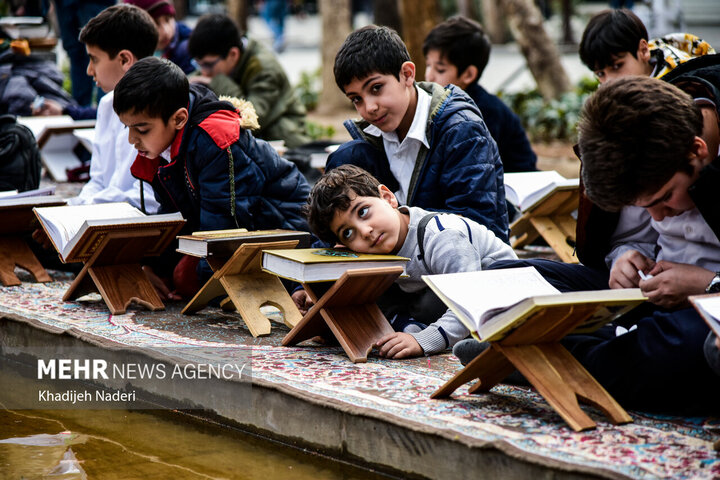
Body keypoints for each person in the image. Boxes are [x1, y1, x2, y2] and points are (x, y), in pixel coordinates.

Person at [566, 76, 720, 413]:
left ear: (698, 150)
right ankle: (600, 351)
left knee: (682, 346)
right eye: (645, 207)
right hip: (652, 298)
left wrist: (708, 284)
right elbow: (633, 235)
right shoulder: (649, 159)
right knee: (515, 279)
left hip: (706, 315)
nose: (659, 218)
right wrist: (626, 258)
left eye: (666, 199)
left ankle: (540, 360)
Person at [112, 57, 311, 294]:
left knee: (186, 278)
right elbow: (174, 220)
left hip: (282, 226)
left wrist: (195, 278)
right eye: (128, 128)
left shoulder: (217, 142)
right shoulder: (159, 146)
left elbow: (226, 228)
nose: (132, 140)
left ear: (179, 118)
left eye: (142, 129)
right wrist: (154, 265)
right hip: (223, 226)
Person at [301, 164, 516, 358]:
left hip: (504, 300)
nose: (365, 231)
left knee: (453, 306)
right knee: (362, 286)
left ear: (387, 197)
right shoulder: (374, 246)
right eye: (348, 233)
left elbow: (470, 300)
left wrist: (423, 340)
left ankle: (499, 350)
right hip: (434, 300)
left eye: (363, 212)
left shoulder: (442, 236)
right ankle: (409, 325)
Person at [329, 25, 509, 243]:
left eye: (376, 88)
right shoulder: (365, 145)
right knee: (346, 157)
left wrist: (398, 222)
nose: (369, 107)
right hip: (394, 265)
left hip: (466, 264)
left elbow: (476, 224)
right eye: (356, 99)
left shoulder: (462, 130)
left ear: (407, 74)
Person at [67, 4, 160, 213]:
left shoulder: (160, 107)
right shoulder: (107, 104)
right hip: (103, 215)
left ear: (125, 60)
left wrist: (85, 209)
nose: (89, 70)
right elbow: (98, 180)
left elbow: (148, 197)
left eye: (94, 59)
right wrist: (74, 209)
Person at [423, 16, 537, 173]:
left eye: (440, 69)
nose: (429, 76)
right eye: (428, 65)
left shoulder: (483, 112)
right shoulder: (437, 103)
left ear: (468, 74)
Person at [187, 14, 309, 149]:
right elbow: (197, 77)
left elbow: (251, 118)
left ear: (233, 54)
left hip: (285, 140)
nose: (204, 72)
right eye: (198, 65)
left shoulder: (264, 67)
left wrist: (217, 82)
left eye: (208, 65)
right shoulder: (217, 62)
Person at [579, 8, 714, 84]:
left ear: (643, 50)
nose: (609, 82)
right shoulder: (610, 101)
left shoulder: (689, 86)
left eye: (617, 66)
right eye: (600, 74)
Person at [123, 0, 194, 74]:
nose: (166, 31)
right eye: (156, 23)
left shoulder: (188, 48)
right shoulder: (126, 57)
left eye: (167, 19)